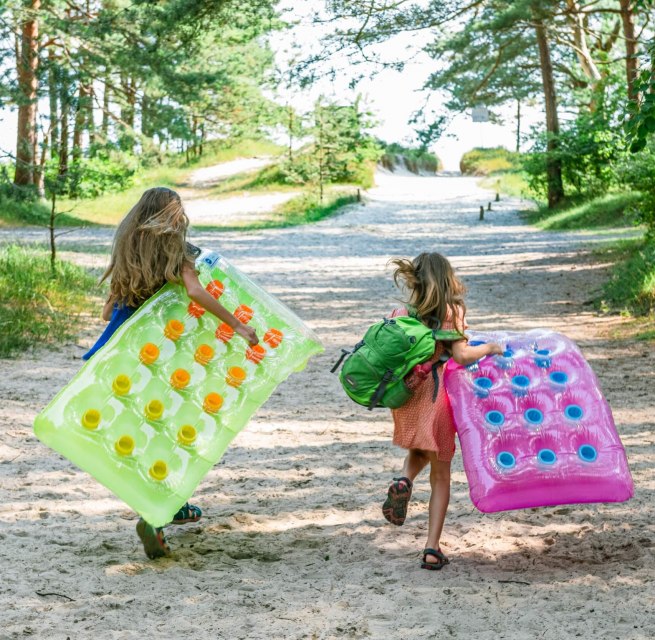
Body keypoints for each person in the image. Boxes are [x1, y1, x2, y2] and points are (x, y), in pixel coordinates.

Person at [84, 186, 258, 559]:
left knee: (142, 430)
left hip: (121, 354)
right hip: (160, 354)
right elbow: (195, 292)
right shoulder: (176, 250)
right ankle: (156, 513)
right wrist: (239, 326)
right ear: (174, 216)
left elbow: (107, 311)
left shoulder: (127, 246)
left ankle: (173, 506)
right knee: (173, 433)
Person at [381, 252, 502, 570]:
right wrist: (489, 348)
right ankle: (432, 548)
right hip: (439, 396)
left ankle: (404, 480)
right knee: (441, 475)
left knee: (420, 449)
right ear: (447, 277)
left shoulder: (403, 311)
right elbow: (462, 356)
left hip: (409, 395)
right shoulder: (452, 311)